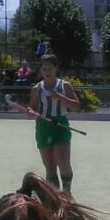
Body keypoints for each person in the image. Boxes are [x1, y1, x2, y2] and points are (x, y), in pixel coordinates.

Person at [29, 54, 80, 193]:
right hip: (43, 127)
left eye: (50, 68)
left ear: (56, 68)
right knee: (50, 168)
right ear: (41, 70)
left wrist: (60, 97)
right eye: (44, 69)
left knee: (63, 164)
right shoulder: (36, 89)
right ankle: (56, 197)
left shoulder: (65, 86)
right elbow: (32, 108)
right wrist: (31, 112)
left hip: (60, 125)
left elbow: (76, 106)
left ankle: (67, 192)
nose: (47, 72)